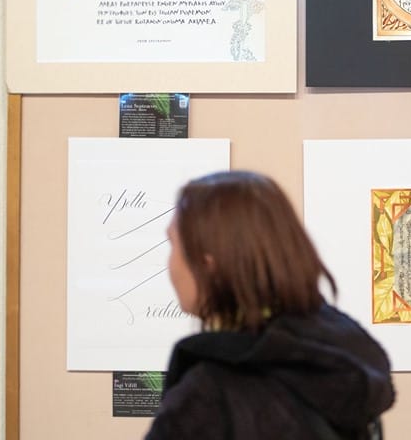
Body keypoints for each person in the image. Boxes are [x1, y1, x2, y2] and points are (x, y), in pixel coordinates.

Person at [145, 170, 395, 440]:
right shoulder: (346, 360)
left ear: (208, 263)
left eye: (173, 244)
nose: (170, 264)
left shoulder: (208, 399)